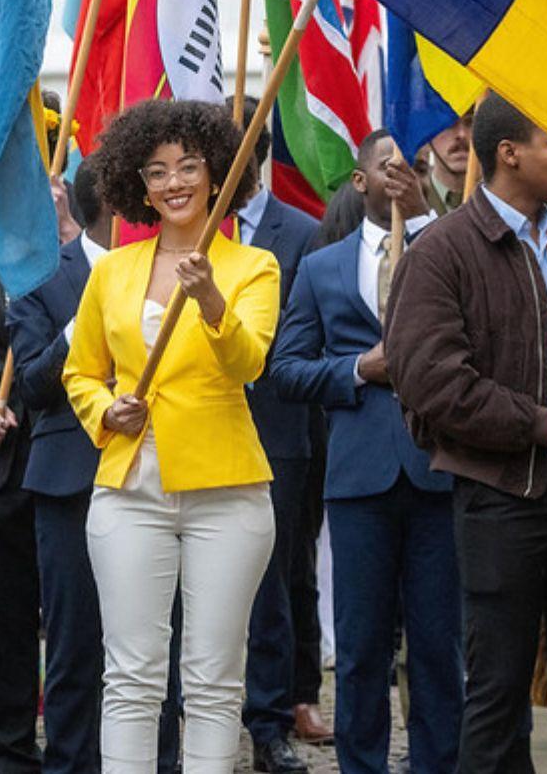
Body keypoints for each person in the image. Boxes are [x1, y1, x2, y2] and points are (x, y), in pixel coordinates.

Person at [63, 99, 281, 773]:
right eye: (157, 171)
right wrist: (106, 412)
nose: (175, 181)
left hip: (229, 488)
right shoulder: (111, 272)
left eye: (189, 165)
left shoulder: (254, 265)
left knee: (214, 680)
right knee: (131, 676)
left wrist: (212, 297)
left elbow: (250, 363)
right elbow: (80, 373)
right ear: (139, 184)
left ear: (218, 173)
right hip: (130, 485)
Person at [385, 93, 547, 769]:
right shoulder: (443, 252)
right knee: (497, 693)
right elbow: (431, 381)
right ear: (509, 153)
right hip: (503, 496)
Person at [272, 129, 461, 772]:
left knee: (439, 646)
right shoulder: (323, 268)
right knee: (360, 648)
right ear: (361, 183)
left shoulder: (452, 251)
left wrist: (432, 215)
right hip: (359, 483)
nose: (400, 176)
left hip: (442, 474)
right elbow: (288, 369)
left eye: (412, 167)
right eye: (388, 168)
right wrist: (359, 368)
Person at [9, 155, 181, 774]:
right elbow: (30, 384)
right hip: (71, 483)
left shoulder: (172, 269)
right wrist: (85, 320)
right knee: (75, 641)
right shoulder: (41, 280)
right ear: (114, 206)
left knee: (155, 641)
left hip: (161, 475)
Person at [227, 98, 323, 771]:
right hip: (191, 427)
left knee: (272, 581)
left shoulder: (305, 234)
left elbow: (304, 341)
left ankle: (269, 719)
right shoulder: (178, 237)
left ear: (255, 160)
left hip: (278, 433)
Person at [421, 114, 471, 217]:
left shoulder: (503, 200)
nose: (461, 134)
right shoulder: (411, 201)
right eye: (448, 123)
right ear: (427, 138)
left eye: (470, 123)